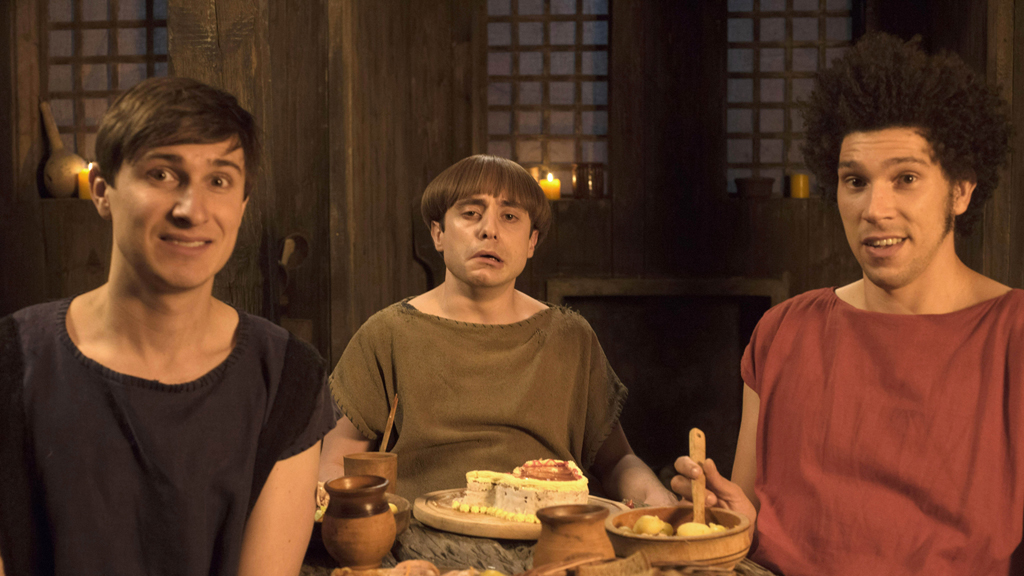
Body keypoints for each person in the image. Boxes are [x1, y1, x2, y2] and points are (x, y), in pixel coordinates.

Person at [671, 33, 1021, 575]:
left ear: (960, 190)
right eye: (855, 181)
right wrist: (731, 519)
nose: (875, 208)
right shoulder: (782, 332)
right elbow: (749, 526)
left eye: (906, 179)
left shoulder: (1011, 336)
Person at [0, 77, 336, 576]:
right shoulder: (14, 360)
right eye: (161, 174)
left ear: (242, 205)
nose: (191, 210)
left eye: (219, 181)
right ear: (102, 191)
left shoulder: (287, 376)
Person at [321, 154, 676, 507]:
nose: (489, 230)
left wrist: (658, 500)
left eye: (509, 217)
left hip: (546, 529)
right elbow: (336, 464)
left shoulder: (570, 336)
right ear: (438, 233)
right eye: (470, 213)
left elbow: (617, 462)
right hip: (420, 530)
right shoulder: (388, 333)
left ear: (531, 242)